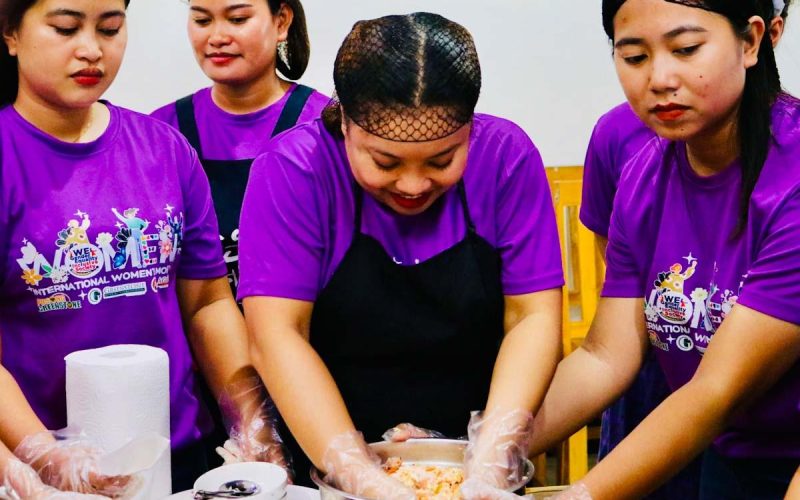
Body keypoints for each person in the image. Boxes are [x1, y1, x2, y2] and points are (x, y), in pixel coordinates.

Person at [238, 12, 564, 497]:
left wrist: (492, 455)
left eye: (441, 160)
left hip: (466, 457)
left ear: (470, 129)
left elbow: (532, 318)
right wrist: (362, 476)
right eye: (384, 162)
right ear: (344, 121)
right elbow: (277, 336)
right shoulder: (294, 172)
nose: (412, 185)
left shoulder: (506, 159)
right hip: (328, 454)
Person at [527, 0, 800, 498]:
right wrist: (487, 446)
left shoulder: (792, 180)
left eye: (686, 48)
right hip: (729, 451)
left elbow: (714, 390)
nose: (659, 78)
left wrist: (580, 495)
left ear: (753, 40)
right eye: (634, 57)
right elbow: (605, 355)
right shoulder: (645, 174)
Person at [0, 0, 273, 492]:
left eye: (109, 28)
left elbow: (207, 303)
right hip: (43, 468)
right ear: (10, 34)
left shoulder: (164, 148)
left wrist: (250, 421)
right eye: (65, 28)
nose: (91, 50)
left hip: (179, 457)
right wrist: (43, 455)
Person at [151, 0, 328, 297]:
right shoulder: (162, 133)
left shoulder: (324, 125)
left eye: (237, 19)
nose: (217, 37)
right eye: (203, 21)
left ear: (282, 21)